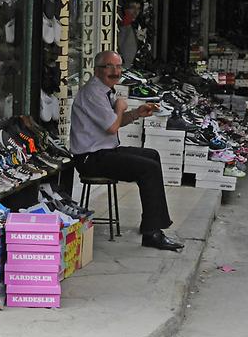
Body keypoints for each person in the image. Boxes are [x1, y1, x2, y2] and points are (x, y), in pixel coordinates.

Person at [69, 50, 184, 251]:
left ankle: (151, 221)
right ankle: (152, 233)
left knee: (152, 156)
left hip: (105, 151)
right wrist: (121, 106)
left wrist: (136, 113)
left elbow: (115, 122)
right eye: (110, 66)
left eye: (119, 66)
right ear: (97, 70)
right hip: (91, 159)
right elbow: (113, 126)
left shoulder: (105, 90)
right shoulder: (93, 93)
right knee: (147, 168)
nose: (116, 71)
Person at [117, 0, 141, 70]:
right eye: (132, 8)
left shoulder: (133, 27)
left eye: (138, 8)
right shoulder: (121, 25)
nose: (135, 12)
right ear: (125, 10)